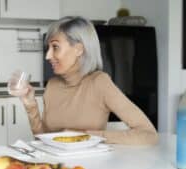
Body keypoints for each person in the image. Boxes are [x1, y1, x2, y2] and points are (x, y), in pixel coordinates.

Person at [18, 16, 158, 145]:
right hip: (57, 167)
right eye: (48, 48)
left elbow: (149, 135)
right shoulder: (52, 85)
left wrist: (86, 136)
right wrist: (31, 105)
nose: (48, 56)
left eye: (55, 47)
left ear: (78, 49)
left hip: (90, 168)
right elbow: (43, 139)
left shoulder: (99, 82)